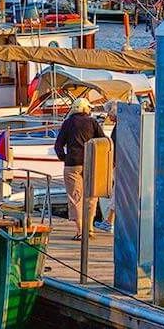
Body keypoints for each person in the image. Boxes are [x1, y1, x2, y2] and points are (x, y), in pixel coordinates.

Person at [54, 98, 106, 240]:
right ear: (85, 109)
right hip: (90, 162)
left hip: (72, 164)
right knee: (91, 196)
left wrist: (64, 157)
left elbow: (58, 145)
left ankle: (80, 231)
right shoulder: (93, 122)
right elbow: (103, 141)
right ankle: (89, 228)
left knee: (76, 197)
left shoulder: (68, 123)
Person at [93, 101, 118, 233]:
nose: (108, 116)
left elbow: (118, 145)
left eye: (109, 113)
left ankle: (110, 221)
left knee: (117, 192)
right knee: (117, 192)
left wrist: (113, 162)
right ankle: (110, 220)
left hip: (120, 165)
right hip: (123, 165)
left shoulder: (119, 127)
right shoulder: (122, 126)